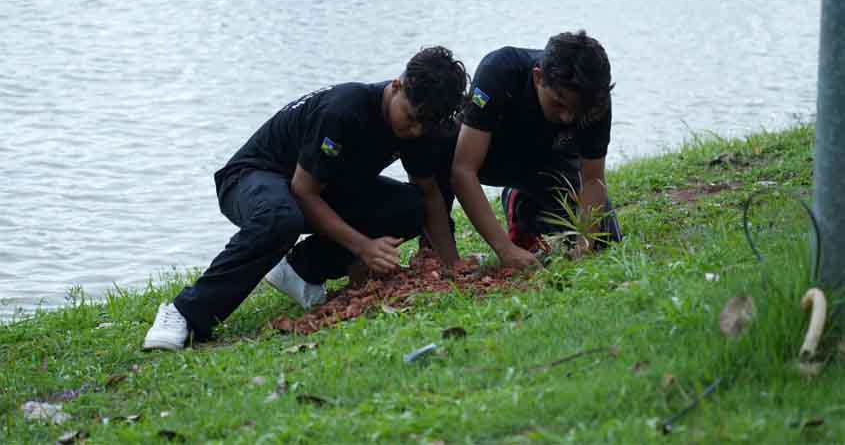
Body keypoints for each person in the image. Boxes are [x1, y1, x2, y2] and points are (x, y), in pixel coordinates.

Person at [143, 46, 467, 350]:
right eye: (410, 118)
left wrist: (453, 267)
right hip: (253, 178)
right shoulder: (344, 110)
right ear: (397, 86)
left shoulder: (419, 128)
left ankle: (301, 270)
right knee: (281, 217)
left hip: (321, 187)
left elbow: (429, 195)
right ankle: (184, 313)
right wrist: (363, 247)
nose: (415, 131)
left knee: (411, 207)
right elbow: (303, 192)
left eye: (424, 125)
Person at [434, 31, 622, 269]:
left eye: (577, 111)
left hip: (551, 162)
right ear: (538, 77)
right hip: (490, 156)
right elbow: (463, 170)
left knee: (605, 241)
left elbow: (593, 179)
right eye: (558, 103)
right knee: (439, 145)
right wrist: (504, 249)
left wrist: (585, 244)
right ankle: (434, 249)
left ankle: (525, 209)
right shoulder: (499, 70)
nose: (567, 117)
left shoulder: (595, 99)